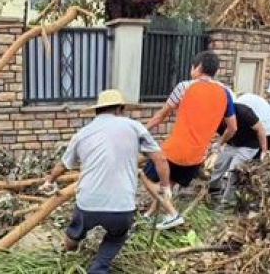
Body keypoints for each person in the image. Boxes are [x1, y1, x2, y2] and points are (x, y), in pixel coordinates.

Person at [38, 89, 171, 274]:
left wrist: (49, 181)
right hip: (121, 207)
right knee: (117, 236)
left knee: (74, 233)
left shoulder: (82, 133)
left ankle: (69, 256)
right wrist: (165, 187)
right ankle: (98, 268)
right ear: (120, 109)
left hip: (88, 204)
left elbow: (63, 165)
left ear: (97, 111)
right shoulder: (134, 127)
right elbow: (161, 159)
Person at [142, 51, 237, 230]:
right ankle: (150, 214)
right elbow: (233, 127)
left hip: (174, 152)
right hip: (196, 157)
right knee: (168, 183)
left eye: (192, 67)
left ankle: (172, 214)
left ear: (197, 67)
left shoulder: (185, 87)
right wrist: (218, 144)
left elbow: (161, 116)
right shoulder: (225, 93)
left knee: (145, 176)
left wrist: (140, 131)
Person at [209, 102, 268, 204]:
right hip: (232, 143)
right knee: (219, 164)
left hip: (249, 144)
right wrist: (215, 145)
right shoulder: (213, 115)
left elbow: (260, 129)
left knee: (234, 170)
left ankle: (228, 201)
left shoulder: (243, 112)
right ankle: (213, 190)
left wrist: (264, 150)